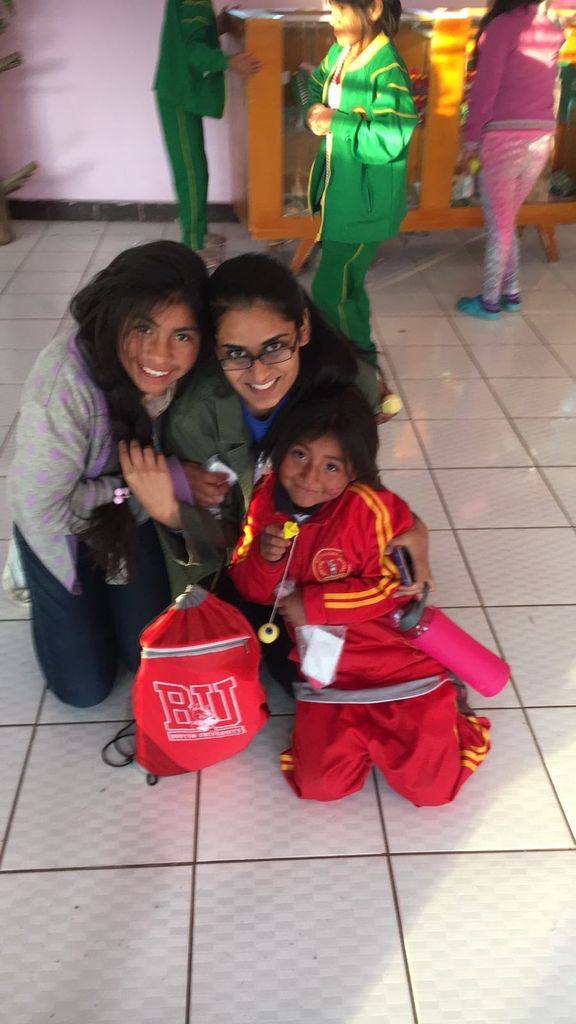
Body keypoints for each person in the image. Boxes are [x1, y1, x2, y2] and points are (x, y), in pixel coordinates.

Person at [229, 386, 491, 806]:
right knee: (319, 786)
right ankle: (364, 737)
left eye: (332, 466)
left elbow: (396, 587)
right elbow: (251, 587)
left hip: (398, 668)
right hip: (327, 674)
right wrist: (265, 557)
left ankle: (454, 712)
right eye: (299, 454)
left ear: (355, 470)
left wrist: (312, 606)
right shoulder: (264, 501)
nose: (311, 477)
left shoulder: (374, 508)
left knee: (433, 790)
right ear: (279, 450)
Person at [7, 241, 210, 708]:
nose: (161, 354)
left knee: (146, 658)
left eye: (182, 335)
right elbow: (41, 504)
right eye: (144, 328)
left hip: (124, 513)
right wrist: (159, 483)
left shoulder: (182, 370)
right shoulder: (63, 387)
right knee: (84, 689)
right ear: (114, 316)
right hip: (57, 521)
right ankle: (30, 570)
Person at [306, 0, 418, 363]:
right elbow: (314, 84)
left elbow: (389, 140)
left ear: (373, 9)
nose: (332, 20)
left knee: (329, 290)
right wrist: (313, 111)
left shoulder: (388, 69)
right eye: (329, 10)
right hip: (341, 198)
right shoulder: (341, 52)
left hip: (363, 208)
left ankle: (349, 363)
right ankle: (362, 360)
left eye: (339, 10)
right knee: (348, 286)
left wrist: (336, 121)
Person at [457, 0, 565, 319]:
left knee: (499, 224)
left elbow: (484, 90)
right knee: (507, 219)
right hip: (542, 135)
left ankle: (490, 301)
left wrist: (471, 139)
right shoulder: (552, 28)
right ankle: (512, 292)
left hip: (503, 138)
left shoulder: (501, 27)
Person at [154, 0, 260, 262]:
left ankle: (199, 233)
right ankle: (192, 244)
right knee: (191, 171)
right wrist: (231, 61)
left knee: (196, 167)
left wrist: (218, 26)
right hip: (177, 93)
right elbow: (193, 52)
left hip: (181, 90)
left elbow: (193, 36)